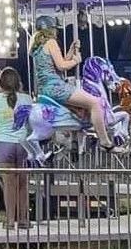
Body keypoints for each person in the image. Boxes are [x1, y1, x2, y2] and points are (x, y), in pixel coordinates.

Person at [30, 15, 114, 149]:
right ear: (51, 29)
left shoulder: (37, 46)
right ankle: (105, 141)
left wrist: (70, 51)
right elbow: (62, 66)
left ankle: (77, 136)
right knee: (95, 103)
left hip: (43, 89)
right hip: (56, 86)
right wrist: (76, 60)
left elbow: (57, 62)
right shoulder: (51, 42)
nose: (56, 31)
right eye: (55, 29)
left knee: (84, 106)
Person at [0, 67, 32, 230]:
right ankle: (24, 220)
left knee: (8, 184)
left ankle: (10, 221)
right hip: (23, 144)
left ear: (0, 84)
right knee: (23, 183)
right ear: (18, 83)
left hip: (3, 144)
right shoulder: (27, 99)